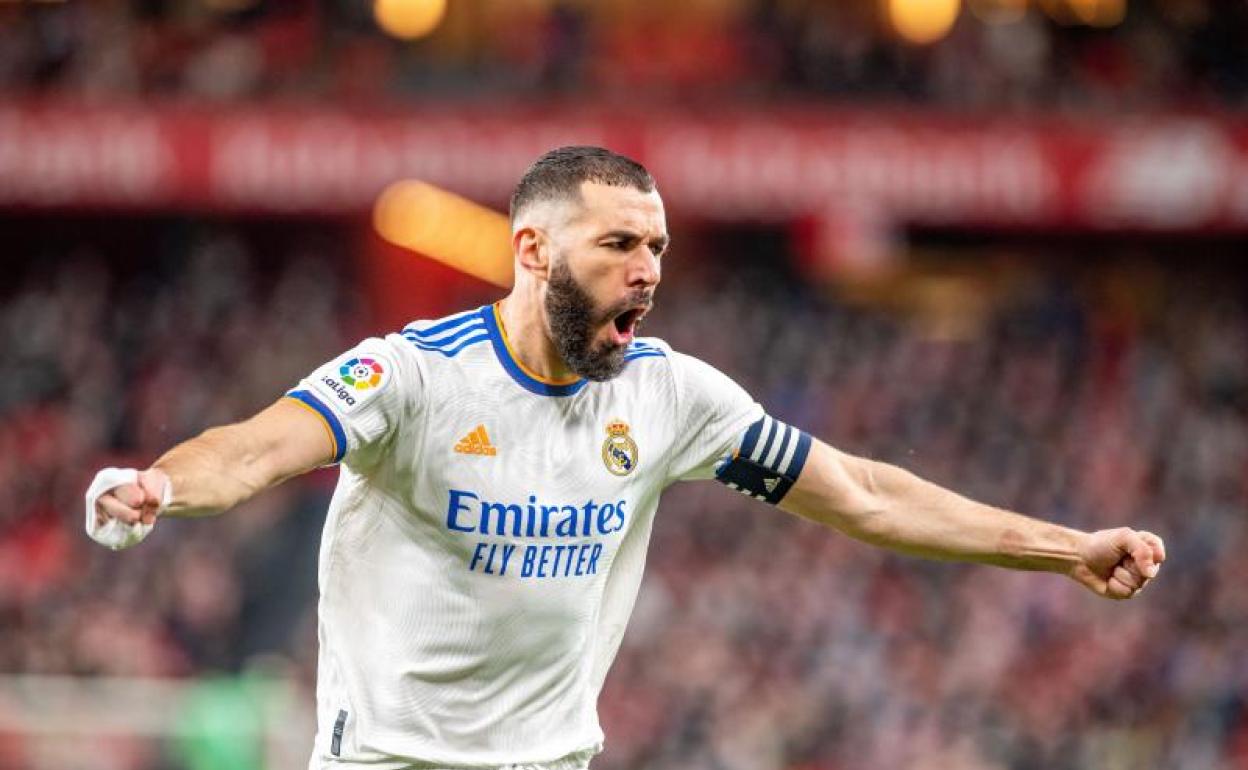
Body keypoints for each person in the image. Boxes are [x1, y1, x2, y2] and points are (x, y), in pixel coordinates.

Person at [86, 146, 1166, 770]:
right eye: (618, 245)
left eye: (657, 247)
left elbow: (867, 495)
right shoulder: (412, 376)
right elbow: (262, 445)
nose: (648, 270)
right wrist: (162, 485)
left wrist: (1066, 547)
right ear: (532, 250)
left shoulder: (668, 395)